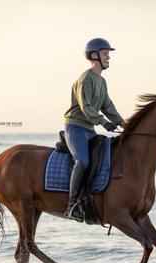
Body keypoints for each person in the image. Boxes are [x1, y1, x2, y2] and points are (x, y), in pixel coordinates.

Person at [63, 37, 125, 221]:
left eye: (108, 54)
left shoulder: (101, 81)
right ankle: (71, 205)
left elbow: (108, 106)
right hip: (75, 128)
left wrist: (123, 124)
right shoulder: (85, 79)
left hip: (89, 129)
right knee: (82, 162)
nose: (108, 58)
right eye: (105, 54)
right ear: (94, 55)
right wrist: (104, 123)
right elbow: (86, 107)